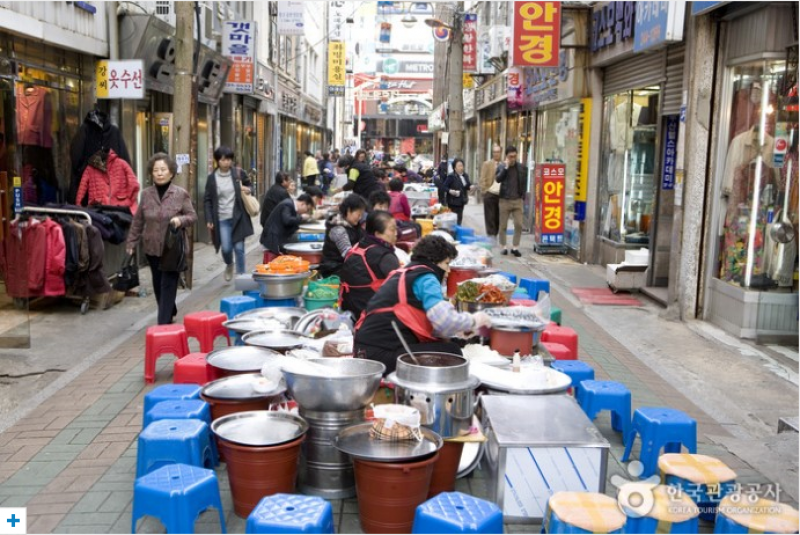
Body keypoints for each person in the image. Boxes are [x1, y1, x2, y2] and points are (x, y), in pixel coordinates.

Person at [354, 235, 492, 375]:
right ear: (433, 261)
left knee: (445, 345)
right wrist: (475, 320)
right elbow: (444, 321)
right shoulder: (427, 277)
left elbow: (424, 320)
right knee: (452, 352)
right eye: (446, 264)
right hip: (379, 358)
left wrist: (458, 329)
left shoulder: (405, 273)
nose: (449, 271)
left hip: (364, 352)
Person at [126, 153, 197, 325]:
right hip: (151, 248)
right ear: (151, 172)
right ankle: (169, 308)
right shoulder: (146, 194)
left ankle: (163, 322)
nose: (159, 173)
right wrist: (131, 243)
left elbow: (192, 216)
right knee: (158, 284)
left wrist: (180, 220)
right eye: (156, 170)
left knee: (167, 283)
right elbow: (138, 220)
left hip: (172, 249)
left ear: (171, 172)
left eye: (163, 169)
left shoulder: (180, 194)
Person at [204, 145, 254, 281]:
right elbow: (207, 200)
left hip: (238, 217)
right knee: (226, 249)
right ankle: (229, 264)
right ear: (217, 161)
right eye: (223, 159)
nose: (227, 162)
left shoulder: (238, 173)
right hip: (221, 218)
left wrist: (248, 189)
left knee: (239, 248)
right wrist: (209, 219)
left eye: (229, 159)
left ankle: (242, 277)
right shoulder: (212, 178)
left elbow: (250, 186)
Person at [339, 210, 400, 319]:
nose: (396, 233)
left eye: (396, 228)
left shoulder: (358, 246)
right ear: (377, 234)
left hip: (349, 311)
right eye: (392, 229)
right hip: (372, 316)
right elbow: (402, 287)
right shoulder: (385, 257)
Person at [319, 194, 368, 277]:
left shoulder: (354, 225)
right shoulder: (338, 229)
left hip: (346, 266)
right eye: (358, 214)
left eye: (361, 215)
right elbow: (349, 255)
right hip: (334, 270)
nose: (360, 218)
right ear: (349, 211)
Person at [496, 146, 528, 257]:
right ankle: (504, 247)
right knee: (503, 226)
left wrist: (523, 195)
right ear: (506, 156)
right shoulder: (501, 166)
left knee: (519, 224)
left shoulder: (522, 168)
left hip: (517, 200)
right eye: (510, 156)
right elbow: (498, 179)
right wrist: (506, 168)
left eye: (514, 156)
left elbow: (524, 182)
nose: (513, 158)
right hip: (504, 200)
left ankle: (515, 248)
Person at [479, 145, 503, 241]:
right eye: (494, 152)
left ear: (501, 153)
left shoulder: (504, 164)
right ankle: (491, 234)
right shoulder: (487, 164)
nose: (496, 154)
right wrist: (485, 191)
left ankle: (495, 233)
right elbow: (482, 178)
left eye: (498, 152)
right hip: (490, 193)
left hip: (500, 194)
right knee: (489, 215)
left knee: (498, 216)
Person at [444, 158, 473, 225]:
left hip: (461, 201)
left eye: (462, 165)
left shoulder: (465, 175)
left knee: (459, 219)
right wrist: (450, 191)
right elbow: (444, 187)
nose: (461, 167)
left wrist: (471, 187)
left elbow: (467, 186)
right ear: (455, 168)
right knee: (453, 219)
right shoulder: (451, 176)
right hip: (452, 202)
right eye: (459, 166)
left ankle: (457, 231)